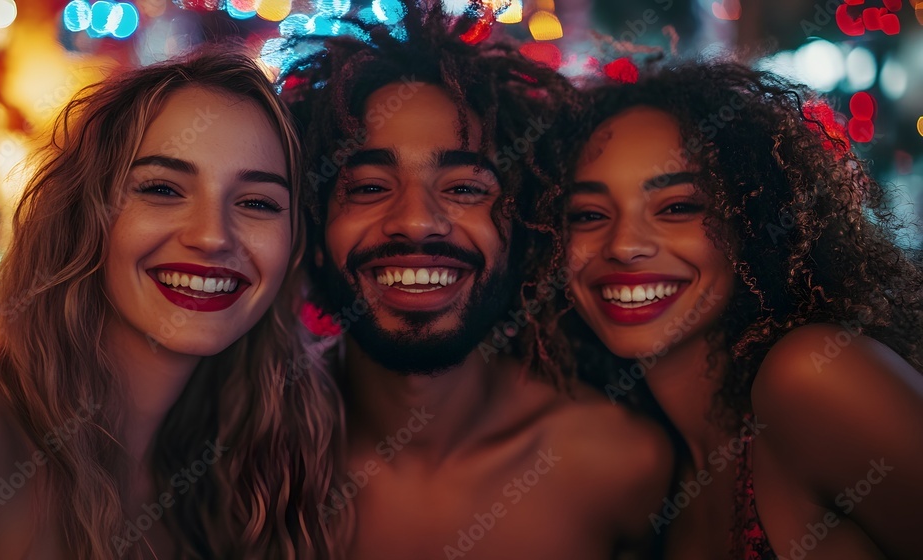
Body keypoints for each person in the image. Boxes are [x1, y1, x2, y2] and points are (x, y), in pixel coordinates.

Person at [280, 3, 673, 558]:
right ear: (314, 232)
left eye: (465, 188)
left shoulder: (622, 464)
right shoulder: (247, 462)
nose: (416, 220)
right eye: (368, 187)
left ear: (525, 232)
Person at [0, 46, 348, 559]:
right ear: (84, 216)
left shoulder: (245, 475)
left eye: (257, 202)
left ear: (294, 242)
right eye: (163, 189)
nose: (213, 236)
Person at [555, 59, 923, 559]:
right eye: (588, 215)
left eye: (678, 207)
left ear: (750, 221)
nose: (623, 246)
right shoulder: (657, 475)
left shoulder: (811, 375)